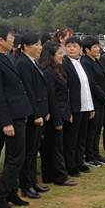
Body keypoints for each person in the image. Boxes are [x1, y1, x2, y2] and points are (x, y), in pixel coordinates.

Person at [0, 25, 33, 208]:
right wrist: (6, 122)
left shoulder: (6, 57)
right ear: (1, 41)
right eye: (10, 37)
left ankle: (12, 192)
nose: (13, 40)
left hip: (19, 112)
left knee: (17, 156)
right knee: (15, 158)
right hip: (10, 116)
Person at [15, 32, 50, 199]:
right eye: (36, 44)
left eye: (40, 44)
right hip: (31, 114)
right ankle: (25, 185)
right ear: (26, 46)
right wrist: (37, 114)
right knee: (28, 151)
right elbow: (28, 90)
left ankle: (33, 182)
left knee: (34, 150)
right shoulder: (22, 63)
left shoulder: (32, 62)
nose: (40, 48)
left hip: (39, 112)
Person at [39, 41, 76, 187]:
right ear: (52, 55)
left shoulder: (58, 70)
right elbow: (51, 98)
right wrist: (58, 120)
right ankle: (60, 176)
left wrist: (67, 113)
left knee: (53, 146)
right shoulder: (48, 72)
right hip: (54, 114)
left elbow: (64, 95)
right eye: (60, 54)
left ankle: (50, 175)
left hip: (62, 111)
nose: (63, 56)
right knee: (54, 147)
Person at [62, 36, 96, 177]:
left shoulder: (81, 63)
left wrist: (91, 106)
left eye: (74, 46)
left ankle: (79, 162)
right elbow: (66, 89)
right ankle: (71, 166)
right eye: (68, 46)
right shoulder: (65, 64)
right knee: (71, 139)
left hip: (85, 106)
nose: (71, 49)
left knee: (82, 138)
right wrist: (68, 109)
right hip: (74, 108)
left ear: (80, 49)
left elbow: (87, 87)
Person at [81, 36, 105, 167]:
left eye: (98, 46)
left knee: (98, 129)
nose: (98, 49)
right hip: (94, 100)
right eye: (94, 47)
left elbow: (103, 79)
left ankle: (95, 152)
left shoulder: (96, 61)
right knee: (91, 130)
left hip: (102, 101)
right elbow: (92, 84)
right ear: (87, 50)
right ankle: (89, 155)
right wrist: (104, 97)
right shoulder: (86, 62)